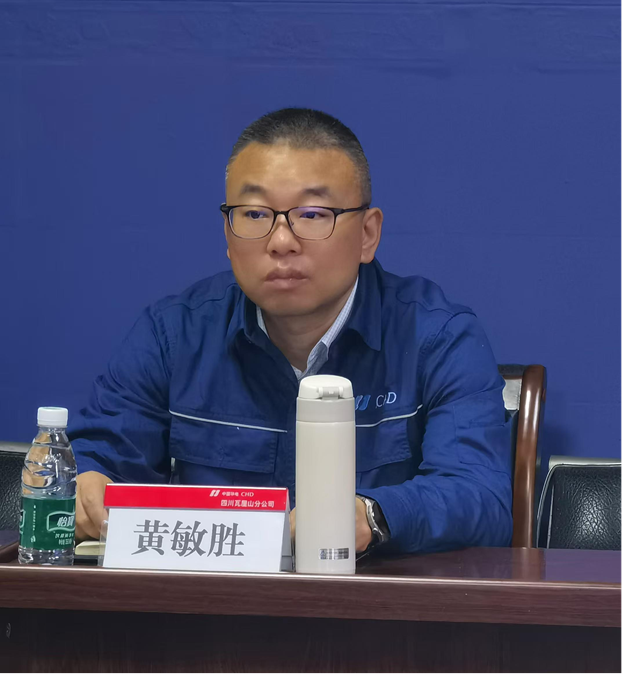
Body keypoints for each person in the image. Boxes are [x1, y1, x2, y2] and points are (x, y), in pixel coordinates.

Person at [70, 108, 513, 554]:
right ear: (227, 233)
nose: (281, 241)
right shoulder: (173, 335)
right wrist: (87, 485)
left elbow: (479, 496)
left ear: (367, 234)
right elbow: (100, 459)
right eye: (254, 214)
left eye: (313, 214)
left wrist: (372, 516)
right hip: (213, 595)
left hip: (370, 596)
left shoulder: (437, 338)